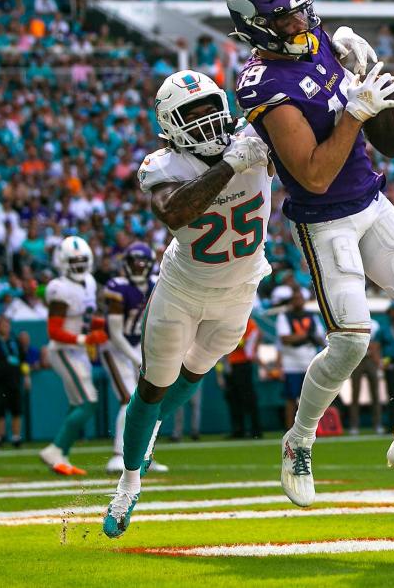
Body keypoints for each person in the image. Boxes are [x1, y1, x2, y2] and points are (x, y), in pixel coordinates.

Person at [229, 0, 394, 508]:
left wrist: (385, 88)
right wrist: (355, 112)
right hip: (325, 217)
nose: (302, 21)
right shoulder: (263, 84)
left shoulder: (320, 43)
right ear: (257, 26)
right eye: (286, 17)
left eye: (301, 8)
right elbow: (312, 174)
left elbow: (387, 137)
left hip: (372, 202)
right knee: (352, 340)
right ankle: (299, 439)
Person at [103, 69, 272, 538]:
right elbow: (175, 211)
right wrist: (232, 166)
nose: (206, 120)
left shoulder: (252, 137)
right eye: (191, 113)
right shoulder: (163, 165)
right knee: (155, 384)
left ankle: (149, 435)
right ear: (170, 125)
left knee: (195, 374)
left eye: (209, 107)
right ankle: (129, 482)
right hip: (182, 289)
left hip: (241, 290)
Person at [39, 235, 106, 476]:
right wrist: (85, 339)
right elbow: (54, 331)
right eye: (73, 261)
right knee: (88, 402)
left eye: (82, 261)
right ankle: (55, 449)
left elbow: (84, 318)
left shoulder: (89, 282)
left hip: (77, 350)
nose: (78, 266)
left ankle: (62, 455)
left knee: (77, 403)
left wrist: (103, 325)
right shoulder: (59, 288)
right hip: (64, 350)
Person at [101, 242, 167, 473]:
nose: (138, 268)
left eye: (142, 263)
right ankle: (119, 454)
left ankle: (143, 455)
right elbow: (116, 334)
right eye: (134, 263)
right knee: (129, 398)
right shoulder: (118, 287)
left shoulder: (155, 284)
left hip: (141, 346)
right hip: (117, 349)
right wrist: (137, 357)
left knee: (150, 401)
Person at [276, 289, 326, 430]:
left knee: (312, 398)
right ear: (291, 301)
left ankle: (310, 428)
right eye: (295, 298)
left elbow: (321, 338)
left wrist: (301, 336)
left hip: (309, 360)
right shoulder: (284, 316)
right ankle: (289, 428)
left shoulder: (311, 316)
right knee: (291, 397)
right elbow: (285, 338)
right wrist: (305, 335)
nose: (298, 301)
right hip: (291, 363)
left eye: (300, 298)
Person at [0, 316, 29, 448]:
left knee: (16, 410)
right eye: (3, 325)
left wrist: (26, 377)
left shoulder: (15, 342)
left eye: (7, 325)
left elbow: (23, 361)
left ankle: (16, 437)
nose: (5, 327)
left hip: (14, 380)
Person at [221, 317, 262, 439]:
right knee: (233, 398)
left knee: (248, 397)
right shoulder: (231, 322)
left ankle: (256, 430)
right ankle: (238, 430)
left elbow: (247, 343)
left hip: (243, 364)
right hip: (230, 365)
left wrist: (229, 341)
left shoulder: (249, 323)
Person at [348, 318, 383, 435]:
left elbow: (376, 344)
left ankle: (377, 423)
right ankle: (354, 425)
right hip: (357, 358)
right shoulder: (353, 322)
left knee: (375, 392)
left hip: (370, 359)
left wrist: (376, 357)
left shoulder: (374, 324)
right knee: (355, 392)